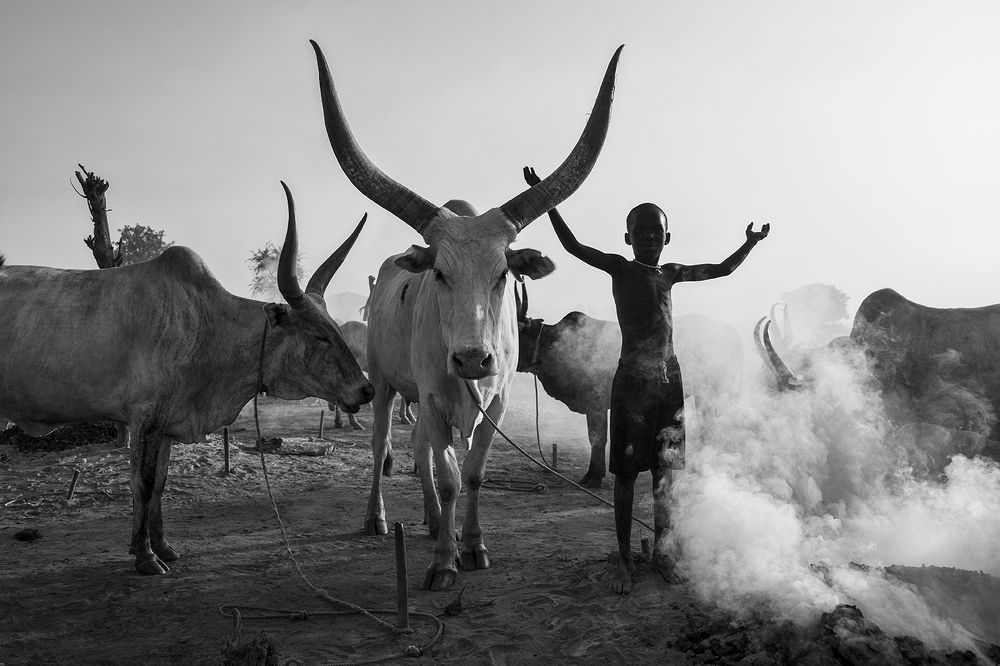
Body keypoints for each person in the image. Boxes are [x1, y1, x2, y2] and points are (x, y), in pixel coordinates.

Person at [522, 166, 769, 594]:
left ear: (667, 237)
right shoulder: (620, 268)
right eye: (641, 231)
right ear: (628, 237)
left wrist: (749, 243)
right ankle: (623, 558)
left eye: (656, 231)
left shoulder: (671, 272)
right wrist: (547, 198)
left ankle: (663, 554)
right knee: (625, 476)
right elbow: (572, 245)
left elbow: (722, 270)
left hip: (669, 382)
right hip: (632, 384)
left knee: (665, 473)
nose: (650, 236)